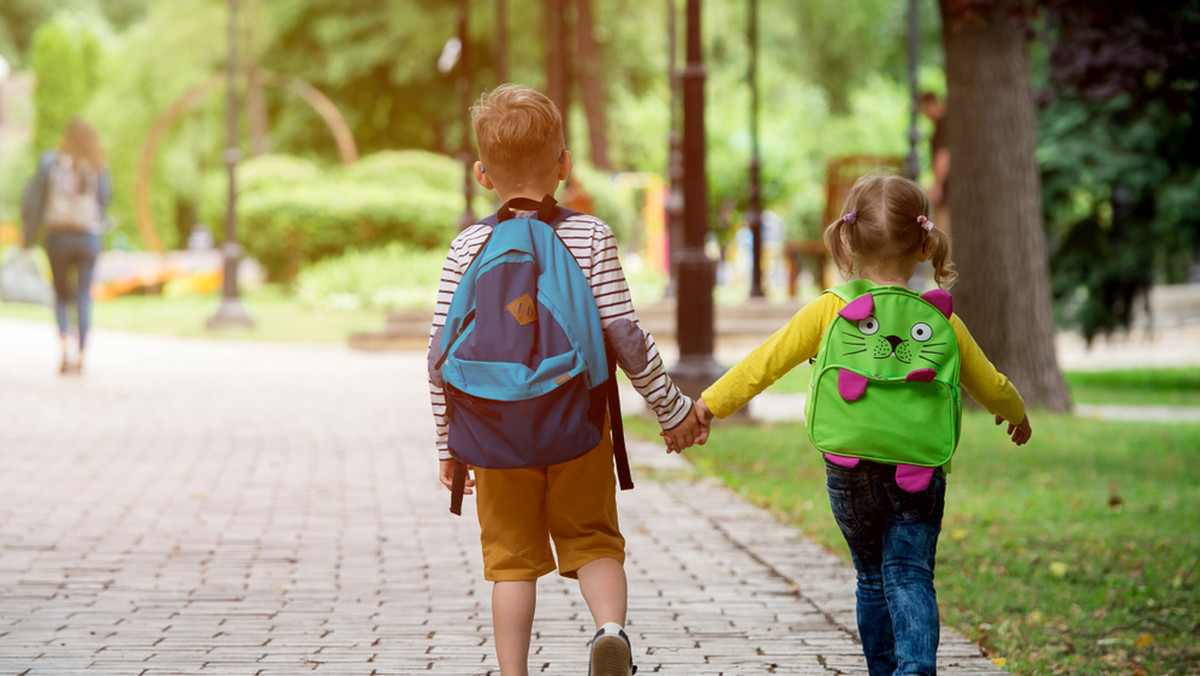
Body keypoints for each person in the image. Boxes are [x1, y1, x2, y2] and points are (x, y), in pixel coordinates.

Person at [686, 173, 1031, 676]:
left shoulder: (831, 309)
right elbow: (990, 383)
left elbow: (766, 361)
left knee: (872, 578)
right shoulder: (941, 320)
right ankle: (915, 669)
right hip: (918, 466)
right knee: (911, 575)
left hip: (847, 464)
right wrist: (1016, 414)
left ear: (847, 239)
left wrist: (708, 406)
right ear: (922, 245)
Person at [427, 84, 699, 676]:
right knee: (595, 540)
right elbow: (625, 337)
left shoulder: (467, 247)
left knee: (511, 564)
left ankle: (514, 673)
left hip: (496, 434)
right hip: (579, 426)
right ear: (564, 166)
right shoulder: (591, 236)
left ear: (481, 174)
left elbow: (438, 355)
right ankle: (610, 630)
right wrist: (672, 409)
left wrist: (449, 441)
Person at [21, 117, 113, 374]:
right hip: (87, 237)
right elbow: (106, 198)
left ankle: (65, 343)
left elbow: (33, 202)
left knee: (61, 294)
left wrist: (27, 238)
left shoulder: (50, 161)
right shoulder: (97, 164)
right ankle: (82, 353)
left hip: (58, 237)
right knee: (83, 295)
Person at [920, 92, 950, 235]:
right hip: (951, 187)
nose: (925, 114)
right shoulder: (947, 123)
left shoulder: (943, 125)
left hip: (948, 189)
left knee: (942, 231)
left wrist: (937, 185)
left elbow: (943, 156)